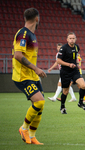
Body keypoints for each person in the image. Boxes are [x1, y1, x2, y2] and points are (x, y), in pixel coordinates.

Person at [12, 8, 46, 145]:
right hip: (23, 76)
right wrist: (36, 68)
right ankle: (23, 129)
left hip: (32, 76)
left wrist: (35, 72)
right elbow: (18, 55)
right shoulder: (23, 34)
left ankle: (32, 137)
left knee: (40, 106)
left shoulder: (31, 34)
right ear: (37, 18)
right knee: (39, 102)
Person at [57, 32, 85, 114]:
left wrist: (77, 64)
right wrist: (69, 64)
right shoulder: (63, 48)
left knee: (83, 85)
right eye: (70, 38)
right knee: (65, 92)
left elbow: (75, 56)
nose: (72, 40)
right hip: (65, 72)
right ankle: (62, 107)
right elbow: (58, 61)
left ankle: (80, 103)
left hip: (74, 70)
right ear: (67, 39)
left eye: (73, 38)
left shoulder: (77, 47)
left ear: (75, 39)